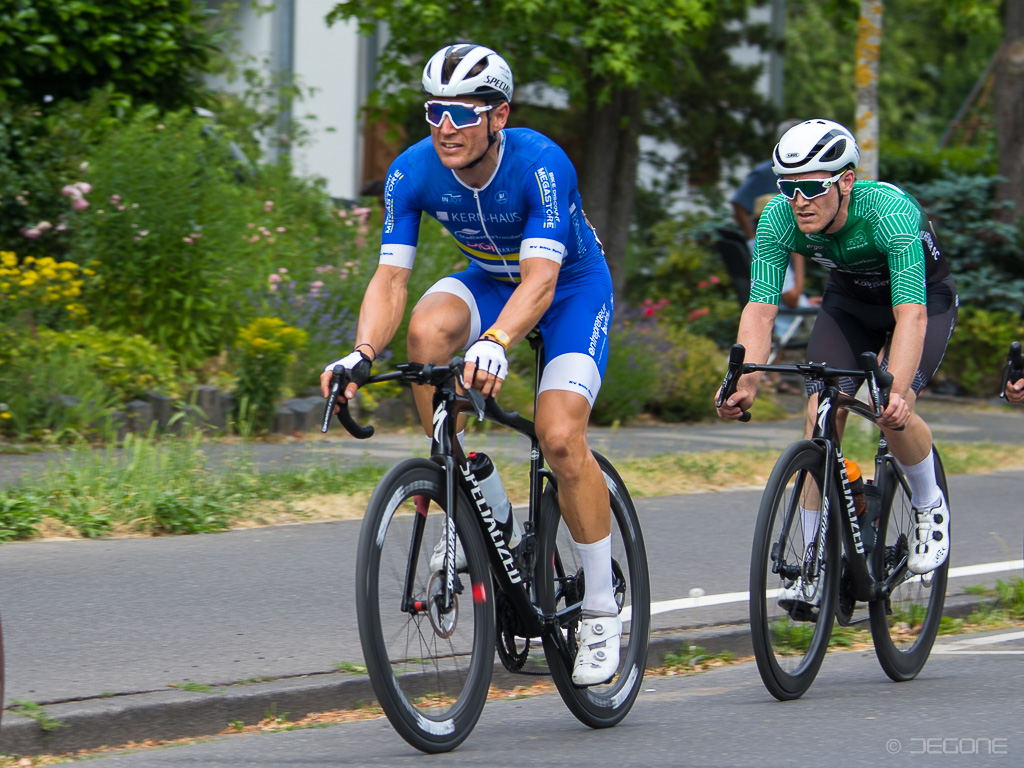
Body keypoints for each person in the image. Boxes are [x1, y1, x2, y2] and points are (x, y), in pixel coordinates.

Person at [320, 44, 621, 685]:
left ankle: (601, 608)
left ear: (498, 115)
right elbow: (391, 279)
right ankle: (472, 490)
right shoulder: (412, 171)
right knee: (426, 332)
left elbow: (541, 280)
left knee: (560, 438)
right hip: (489, 278)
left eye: (462, 113)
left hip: (569, 289)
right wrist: (361, 352)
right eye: (435, 112)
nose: (446, 128)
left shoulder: (541, 163)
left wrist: (498, 340)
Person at [716, 119, 959, 606]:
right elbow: (761, 310)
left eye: (811, 187)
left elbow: (910, 315)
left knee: (891, 407)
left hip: (920, 302)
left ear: (846, 180)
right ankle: (813, 562)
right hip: (849, 304)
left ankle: (929, 505)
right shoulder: (779, 218)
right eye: (787, 187)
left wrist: (897, 389)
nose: (798, 200)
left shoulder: (889, 213)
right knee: (820, 414)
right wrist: (745, 381)